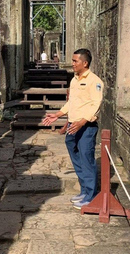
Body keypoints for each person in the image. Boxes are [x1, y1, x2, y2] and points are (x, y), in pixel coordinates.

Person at [43, 48, 104, 209]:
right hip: (72, 125)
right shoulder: (74, 80)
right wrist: (58, 114)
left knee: (86, 158)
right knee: (76, 157)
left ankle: (91, 195)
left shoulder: (94, 81)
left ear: (85, 63)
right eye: (72, 60)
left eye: (75, 61)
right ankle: (84, 190)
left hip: (86, 126)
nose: (72, 63)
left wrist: (83, 121)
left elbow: (96, 104)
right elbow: (72, 102)